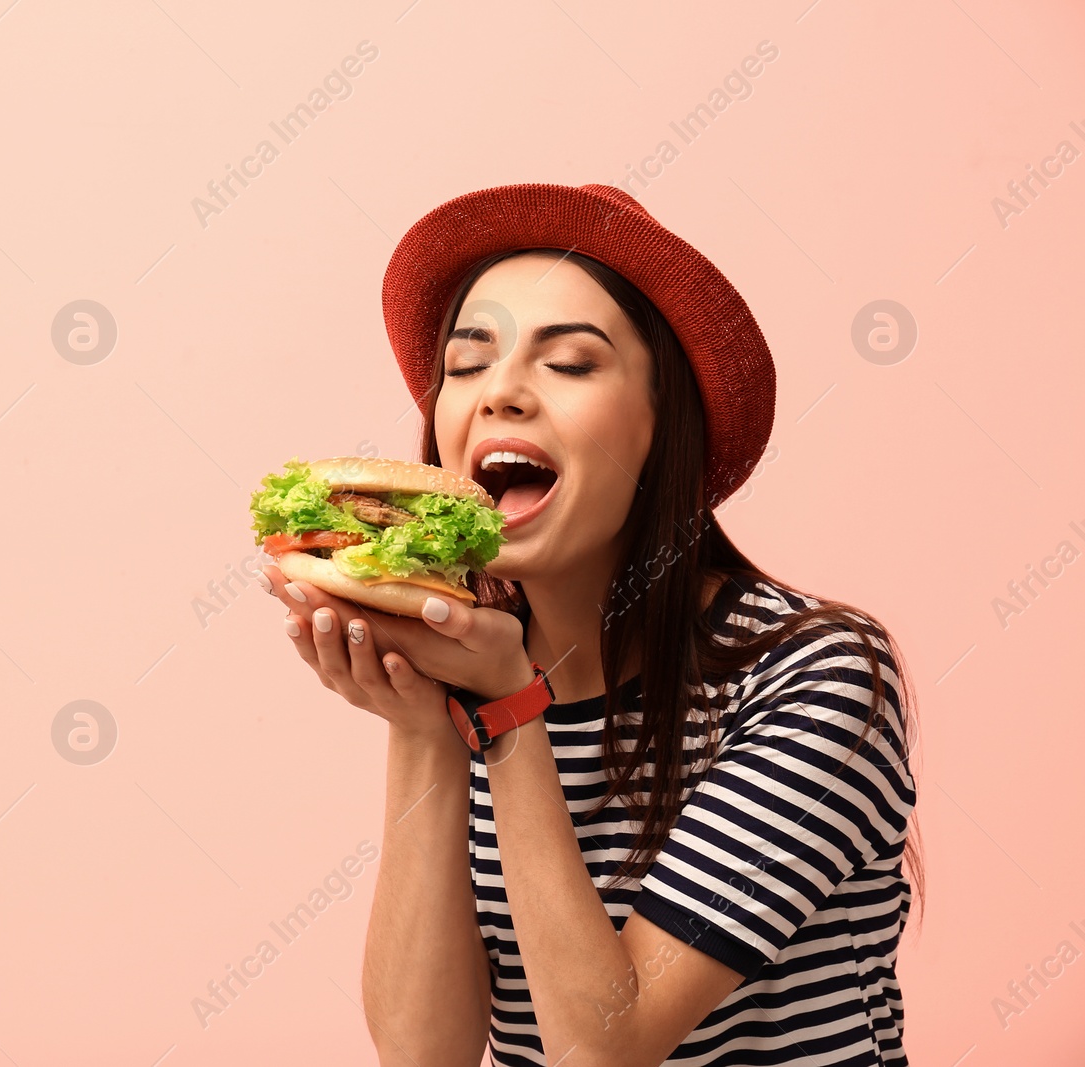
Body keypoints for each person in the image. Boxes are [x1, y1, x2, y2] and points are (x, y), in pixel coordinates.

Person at [255, 183, 923, 1066]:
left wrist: (508, 713)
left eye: (569, 363)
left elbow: (602, 1052)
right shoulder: (477, 657)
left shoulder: (817, 673)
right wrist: (423, 726)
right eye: (466, 365)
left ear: (662, 425)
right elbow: (424, 1056)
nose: (501, 395)